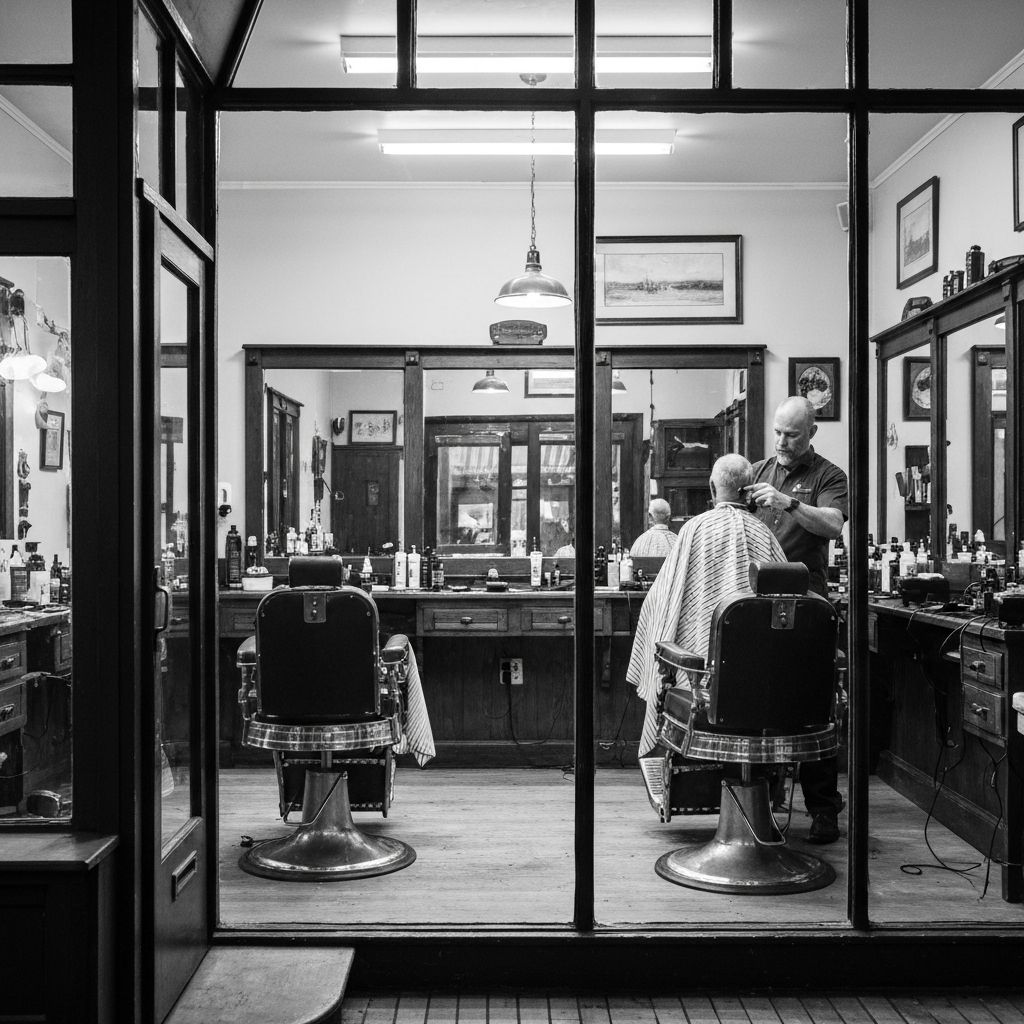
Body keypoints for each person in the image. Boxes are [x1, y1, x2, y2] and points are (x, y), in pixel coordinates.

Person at [626, 454, 786, 769]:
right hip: (760, 681)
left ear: (712, 487)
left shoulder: (694, 529)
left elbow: (662, 602)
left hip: (702, 680)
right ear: (749, 490)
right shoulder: (764, 534)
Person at [745, 395, 849, 845]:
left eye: (792, 434)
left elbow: (833, 525)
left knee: (813, 703)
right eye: (778, 432)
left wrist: (788, 503)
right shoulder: (758, 470)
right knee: (762, 700)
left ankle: (823, 808)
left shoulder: (829, 475)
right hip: (757, 604)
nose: (782, 441)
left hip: (808, 605)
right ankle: (763, 801)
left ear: (811, 433)